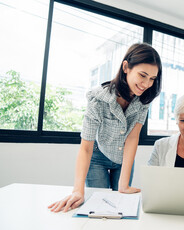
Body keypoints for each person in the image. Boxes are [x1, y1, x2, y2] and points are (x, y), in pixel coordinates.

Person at [48, 43, 162, 213]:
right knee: (99, 208)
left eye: (152, 78)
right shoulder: (98, 99)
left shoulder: (143, 100)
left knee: (122, 208)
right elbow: (86, 147)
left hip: (122, 158)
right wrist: (78, 191)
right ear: (126, 67)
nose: (146, 84)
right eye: (143, 75)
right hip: (97, 157)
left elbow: (132, 137)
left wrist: (123, 185)